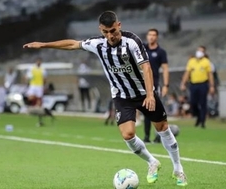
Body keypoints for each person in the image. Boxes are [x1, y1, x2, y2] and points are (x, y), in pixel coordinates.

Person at [23, 11, 187, 186]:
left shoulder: (132, 41)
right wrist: (43, 45)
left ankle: (178, 169)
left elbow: (146, 68)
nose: (110, 36)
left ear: (119, 25)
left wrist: (149, 94)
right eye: (105, 32)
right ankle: (152, 162)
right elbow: (72, 44)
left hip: (143, 92)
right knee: (128, 135)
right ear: (100, 29)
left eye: (113, 31)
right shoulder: (98, 44)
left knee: (163, 128)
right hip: (122, 96)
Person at [143, 28, 169, 144]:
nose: (151, 37)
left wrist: (166, 85)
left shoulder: (161, 52)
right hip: (142, 84)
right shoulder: (142, 49)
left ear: (157, 37)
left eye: (153, 35)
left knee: (156, 111)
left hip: (155, 84)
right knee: (146, 112)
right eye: (149, 35)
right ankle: (147, 136)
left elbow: (165, 69)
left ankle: (159, 136)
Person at [180, 46, 215, 128]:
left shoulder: (206, 62)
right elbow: (187, 73)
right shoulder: (191, 61)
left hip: (203, 84)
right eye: (198, 50)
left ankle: (202, 121)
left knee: (203, 103)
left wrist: (212, 86)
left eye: (201, 51)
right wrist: (183, 83)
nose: (199, 52)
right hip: (193, 84)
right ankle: (198, 116)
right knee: (193, 103)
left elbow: (210, 75)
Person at [26, 58, 48, 126]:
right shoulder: (32, 68)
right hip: (33, 85)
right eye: (38, 61)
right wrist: (27, 83)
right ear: (36, 61)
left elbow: (44, 79)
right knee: (30, 97)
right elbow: (27, 76)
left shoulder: (43, 69)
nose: (39, 62)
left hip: (39, 86)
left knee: (39, 101)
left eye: (40, 61)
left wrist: (43, 86)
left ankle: (39, 115)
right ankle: (31, 109)